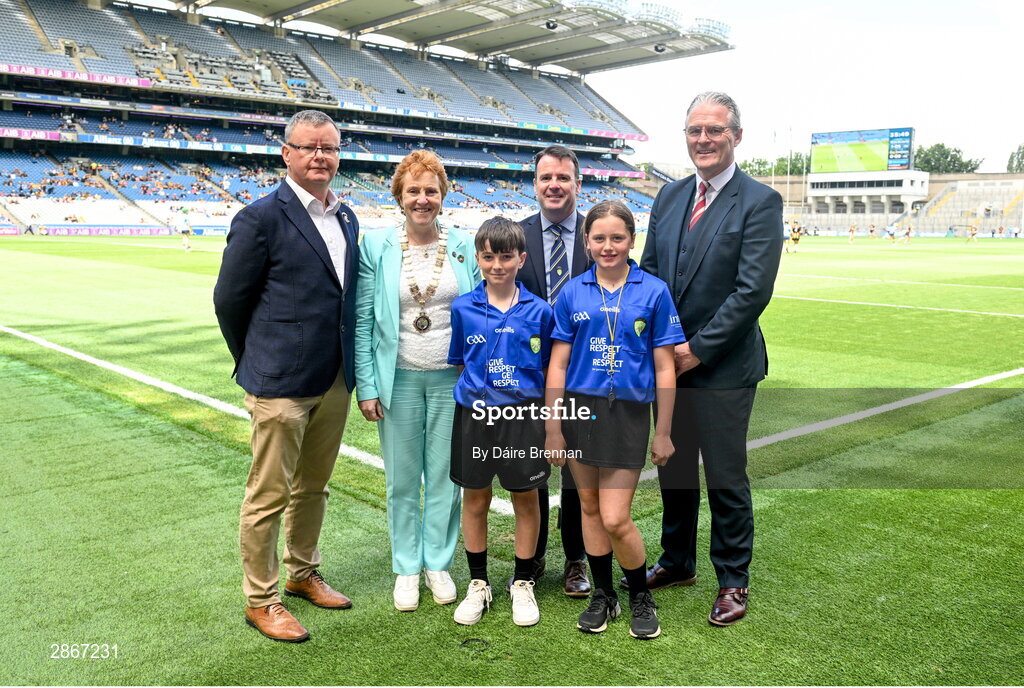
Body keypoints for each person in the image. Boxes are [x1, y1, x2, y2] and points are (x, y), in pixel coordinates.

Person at [213, 110, 359, 643]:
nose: (321, 156)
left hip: (333, 379)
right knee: (268, 495)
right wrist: (257, 363)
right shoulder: (260, 217)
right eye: (310, 147)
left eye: (330, 148)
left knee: (314, 487)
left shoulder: (347, 217)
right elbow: (229, 300)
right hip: (279, 383)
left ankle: (302, 574)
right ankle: (261, 598)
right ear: (287, 154)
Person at [638, 92, 784, 626]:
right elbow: (651, 276)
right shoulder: (669, 196)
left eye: (715, 131)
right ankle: (677, 562)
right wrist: (659, 349)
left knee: (725, 475)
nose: (703, 139)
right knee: (674, 469)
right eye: (695, 130)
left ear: (736, 137)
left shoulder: (760, 200)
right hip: (668, 365)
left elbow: (751, 292)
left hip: (721, 367)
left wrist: (694, 351)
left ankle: (732, 580)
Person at [545, 199, 684, 639]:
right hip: (579, 411)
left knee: (615, 516)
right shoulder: (572, 293)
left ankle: (641, 593)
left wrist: (663, 431)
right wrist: (553, 426)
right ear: (586, 242)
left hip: (626, 414)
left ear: (631, 240)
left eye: (617, 238)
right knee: (587, 506)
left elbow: (665, 367)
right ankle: (603, 594)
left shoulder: (653, 291)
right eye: (599, 238)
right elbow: (558, 365)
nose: (608, 246)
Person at [354, 149, 479, 612]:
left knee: (448, 479)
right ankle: (406, 567)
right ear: (399, 196)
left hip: (452, 381)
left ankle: (438, 563)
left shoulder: (465, 245)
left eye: (431, 190)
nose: (422, 199)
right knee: (403, 481)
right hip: (399, 380)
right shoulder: (376, 246)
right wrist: (367, 385)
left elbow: (481, 311)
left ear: (443, 195)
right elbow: (365, 319)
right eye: (414, 190)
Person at [447, 217, 554, 628]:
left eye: (506, 256)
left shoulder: (541, 312)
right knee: (475, 499)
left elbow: (548, 371)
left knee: (526, 499)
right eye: (488, 256)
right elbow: (460, 363)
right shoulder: (463, 308)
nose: (497, 265)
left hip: (523, 417)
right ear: (478, 259)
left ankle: (522, 582)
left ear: (521, 259)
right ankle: (479, 584)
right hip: (474, 416)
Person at [516, 145, 591, 598]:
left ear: (577, 184)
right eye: (546, 178)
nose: (554, 185)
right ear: (535, 183)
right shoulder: (516, 235)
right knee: (530, 468)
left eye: (563, 178)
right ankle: (534, 555)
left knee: (579, 472)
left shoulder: (596, 232)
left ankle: (577, 560)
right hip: (527, 375)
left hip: (584, 375)